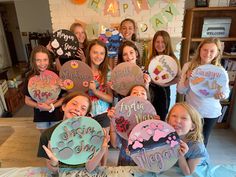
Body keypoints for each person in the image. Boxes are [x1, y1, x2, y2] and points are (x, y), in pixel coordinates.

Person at [38, 92, 109, 173]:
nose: (77, 109)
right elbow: (54, 172)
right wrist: (54, 162)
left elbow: (89, 169)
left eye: (83, 108)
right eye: (74, 104)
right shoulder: (48, 135)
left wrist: (102, 149)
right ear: (64, 106)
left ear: (86, 115)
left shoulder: (92, 135)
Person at [177, 38, 230, 146]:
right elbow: (180, 90)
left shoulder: (220, 71)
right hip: (192, 111)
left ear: (217, 53)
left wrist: (222, 95)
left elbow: (226, 92)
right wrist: (188, 79)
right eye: (205, 50)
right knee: (188, 139)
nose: (208, 54)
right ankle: (186, 160)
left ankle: (199, 162)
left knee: (202, 141)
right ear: (199, 50)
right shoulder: (188, 66)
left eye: (212, 51)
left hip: (210, 112)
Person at [108, 85, 159, 166]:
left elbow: (156, 147)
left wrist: (156, 127)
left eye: (142, 93)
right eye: (135, 92)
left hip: (144, 160)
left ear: (147, 99)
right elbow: (115, 144)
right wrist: (112, 121)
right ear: (128, 98)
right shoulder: (122, 119)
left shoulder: (152, 118)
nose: (138, 94)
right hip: (125, 159)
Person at [23, 45, 64, 133]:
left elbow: (64, 97)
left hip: (56, 114)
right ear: (33, 61)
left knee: (56, 137)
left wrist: (51, 106)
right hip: (40, 117)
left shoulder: (56, 75)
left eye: (45, 60)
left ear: (49, 60)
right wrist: (40, 106)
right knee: (45, 138)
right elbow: (27, 100)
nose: (42, 63)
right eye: (38, 60)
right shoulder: (30, 77)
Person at [86, 39, 113, 165]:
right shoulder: (81, 71)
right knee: (88, 144)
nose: (98, 56)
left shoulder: (107, 73)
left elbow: (110, 98)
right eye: (95, 52)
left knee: (103, 144)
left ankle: (104, 168)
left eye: (102, 53)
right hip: (86, 113)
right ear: (89, 53)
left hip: (103, 113)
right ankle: (90, 168)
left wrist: (95, 91)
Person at [166, 102, 209, 176]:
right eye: (174, 116)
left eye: (184, 118)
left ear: (192, 126)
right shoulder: (165, 136)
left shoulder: (196, 147)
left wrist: (179, 154)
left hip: (193, 169)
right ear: (168, 121)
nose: (177, 121)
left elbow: (188, 173)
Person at [146, 30, 181, 121]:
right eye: (157, 42)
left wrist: (164, 84)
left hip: (163, 93)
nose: (160, 44)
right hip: (150, 91)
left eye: (163, 42)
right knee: (149, 115)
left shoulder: (172, 59)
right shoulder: (151, 58)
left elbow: (178, 77)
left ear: (167, 43)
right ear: (154, 43)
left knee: (160, 117)